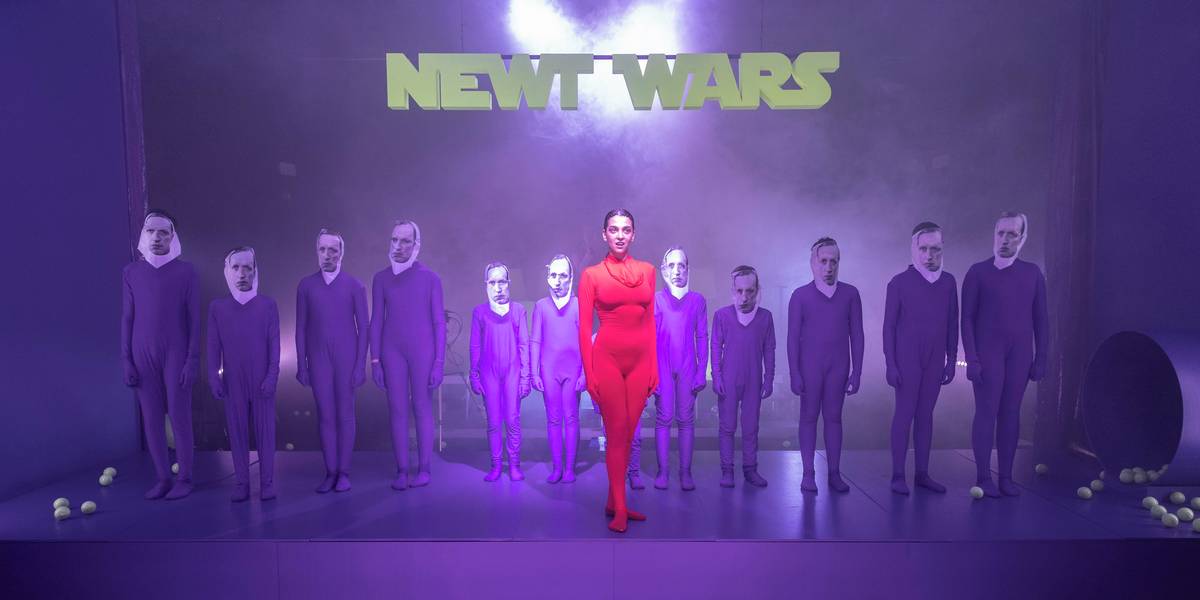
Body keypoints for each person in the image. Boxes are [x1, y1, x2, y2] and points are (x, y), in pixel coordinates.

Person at [578, 209, 658, 533]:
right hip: (607, 359)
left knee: (628, 432)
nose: (620, 235)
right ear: (604, 234)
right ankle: (621, 509)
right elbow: (584, 329)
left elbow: (650, 322)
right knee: (616, 430)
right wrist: (589, 374)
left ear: (633, 234)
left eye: (626, 229)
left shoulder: (648, 271)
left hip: (641, 362)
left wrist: (654, 365)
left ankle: (613, 500)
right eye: (614, 229)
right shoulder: (591, 275)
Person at [962, 212, 1048, 498]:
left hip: (1019, 354)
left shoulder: (1032, 274)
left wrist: (1041, 357)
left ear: (1022, 238)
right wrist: (972, 359)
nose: (1005, 239)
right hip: (988, 353)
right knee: (986, 412)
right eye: (1001, 233)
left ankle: (1006, 477)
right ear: (994, 234)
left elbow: (1042, 320)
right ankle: (983, 476)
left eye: (1012, 234)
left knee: (1011, 413)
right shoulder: (977, 273)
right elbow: (966, 319)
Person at [121, 210, 199, 500]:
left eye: (163, 232)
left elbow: (194, 319)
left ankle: (185, 478)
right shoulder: (131, 272)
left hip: (175, 353)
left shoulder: (186, 272)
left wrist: (192, 359)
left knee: (179, 416)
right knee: (151, 418)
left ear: (172, 237)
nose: (156, 237)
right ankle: (163, 478)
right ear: (144, 234)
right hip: (142, 355)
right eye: (151, 231)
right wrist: (126, 359)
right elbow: (127, 318)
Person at [882, 222, 958, 495]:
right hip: (907, 358)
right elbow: (889, 327)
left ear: (942, 249)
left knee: (925, 415)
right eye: (923, 249)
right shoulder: (899, 283)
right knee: (904, 413)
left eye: (935, 249)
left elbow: (952, 322)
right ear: (913, 248)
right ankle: (898, 475)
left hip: (935, 358)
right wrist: (891, 364)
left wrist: (951, 360)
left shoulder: (948, 282)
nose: (929, 255)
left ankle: (922, 473)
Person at [370, 220, 446, 490]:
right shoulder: (381, 279)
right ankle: (402, 469)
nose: (398, 246)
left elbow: (438, 322)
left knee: (422, 407)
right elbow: (376, 320)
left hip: (422, 351)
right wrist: (375, 360)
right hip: (392, 351)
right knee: (397, 409)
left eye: (405, 241)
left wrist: (439, 362)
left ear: (416, 245)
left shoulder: (430, 278)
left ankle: (424, 468)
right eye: (395, 240)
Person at [787, 237, 864, 494]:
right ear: (813, 263)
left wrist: (857, 372)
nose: (828, 267)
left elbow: (857, 335)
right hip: (810, 368)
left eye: (833, 261)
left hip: (838, 367)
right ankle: (808, 473)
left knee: (834, 418)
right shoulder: (800, 296)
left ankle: (834, 473)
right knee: (808, 417)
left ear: (839, 263)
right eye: (823, 261)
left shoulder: (850, 294)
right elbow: (792, 338)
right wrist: (794, 373)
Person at [296, 229, 369, 493]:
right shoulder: (306, 286)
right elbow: (301, 327)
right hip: (319, 358)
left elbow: (364, 328)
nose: (327, 255)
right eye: (322, 249)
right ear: (316, 251)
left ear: (341, 253)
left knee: (346, 414)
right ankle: (330, 471)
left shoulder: (355, 286)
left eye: (333, 250)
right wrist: (302, 365)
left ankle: (344, 472)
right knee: (325, 415)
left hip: (346, 358)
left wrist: (360, 365)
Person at [207, 247, 280, 502]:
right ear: (227, 271)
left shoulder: (267, 305)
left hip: (261, 379)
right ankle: (241, 483)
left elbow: (274, 344)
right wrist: (214, 377)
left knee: (265, 432)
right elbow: (213, 346)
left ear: (255, 271)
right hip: (233, 381)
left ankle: (267, 482)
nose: (241, 273)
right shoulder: (218, 308)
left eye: (247, 267)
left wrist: (272, 375)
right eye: (236, 267)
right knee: (237, 432)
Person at [638, 246, 707, 491]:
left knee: (686, 419)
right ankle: (663, 471)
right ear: (664, 270)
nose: (677, 271)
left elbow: (702, 337)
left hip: (687, 366)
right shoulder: (656, 300)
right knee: (664, 417)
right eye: (672, 266)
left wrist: (701, 371)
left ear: (688, 270)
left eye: (681, 266)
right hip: (663, 366)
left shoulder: (697, 301)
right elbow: (648, 339)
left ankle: (685, 473)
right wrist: (651, 374)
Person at [711, 265, 775, 488]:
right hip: (729, 380)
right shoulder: (722, 316)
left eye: (750, 291)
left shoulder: (765, 317)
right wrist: (716, 376)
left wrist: (769, 379)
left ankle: (750, 470)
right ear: (733, 291)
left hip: (753, 381)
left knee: (751, 427)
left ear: (757, 290)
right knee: (727, 426)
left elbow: (769, 349)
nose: (745, 296)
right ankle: (727, 471)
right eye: (740, 291)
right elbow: (715, 346)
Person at [470, 262, 531, 481]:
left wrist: (525, 377)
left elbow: (524, 344)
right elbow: (475, 345)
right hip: (489, 373)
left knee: (513, 420)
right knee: (494, 421)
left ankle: (514, 464)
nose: (498, 287)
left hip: (512, 372)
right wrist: (474, 374)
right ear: (486, 284)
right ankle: (496, 465)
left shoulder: (518, 311)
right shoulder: (480, 312)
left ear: (509, 283)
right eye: (493, 282)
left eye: (502, 282)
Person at [530, 255, 586, 483]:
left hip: (573, 370)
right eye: (553, 275)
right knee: (553, 419)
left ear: (571, 278)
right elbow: (535, 340)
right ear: (547, 277)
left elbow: (585, 341)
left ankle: (569, 468)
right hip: (549, 370)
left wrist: (585, 373)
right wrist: (534, 372)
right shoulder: (541, 306)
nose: (558, 280)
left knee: (571, 418)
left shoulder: (579, 305)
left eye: (563, 275)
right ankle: (557, 468)